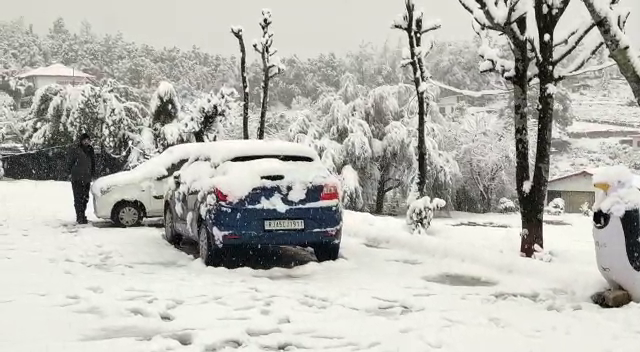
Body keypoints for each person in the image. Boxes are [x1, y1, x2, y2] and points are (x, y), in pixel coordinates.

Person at [67, 133, 96, 224]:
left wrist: (93, 174)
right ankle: (80, 217)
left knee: (85, 198)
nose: (86, 141)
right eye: (84, 140)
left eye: (88, 140)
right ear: (81, 141)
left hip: (87, 178)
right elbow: (70, 162)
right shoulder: (76, 150)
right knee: (78, 198)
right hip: (77, 178)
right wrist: (69, 173)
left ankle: (82, 215)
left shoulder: (91, 150)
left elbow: (93, 163)